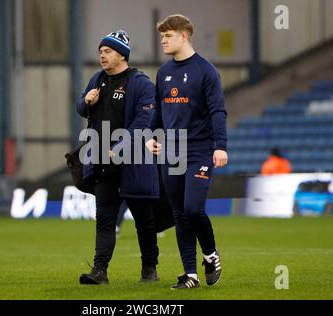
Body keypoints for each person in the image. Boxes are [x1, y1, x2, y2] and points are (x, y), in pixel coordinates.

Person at [146, 14, 228, 289]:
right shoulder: (163, 72)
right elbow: (159, 110)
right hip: (170, 151)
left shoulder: (206, 71)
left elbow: (218, 111)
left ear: (184, 35)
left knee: (193, 209)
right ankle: (190, 274)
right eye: (161, 37)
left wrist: (220, 146)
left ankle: (211, 255)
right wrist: (151, 136)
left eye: (167, 36)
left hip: (200, 151)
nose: (163, 41)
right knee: (179, 214)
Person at [76, 30, 162, 285]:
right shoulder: (97, 79)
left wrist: (120, 146)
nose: (102, 56)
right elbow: (81, 108)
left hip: (133, 162)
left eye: (108, 52)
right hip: (103, 161)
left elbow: (143, 121)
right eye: (101, 52)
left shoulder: (141, 83)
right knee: (104, 219)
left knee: (144, 220)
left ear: (122, 55)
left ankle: (149, 269)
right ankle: (99, 271)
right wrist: (86, 102)